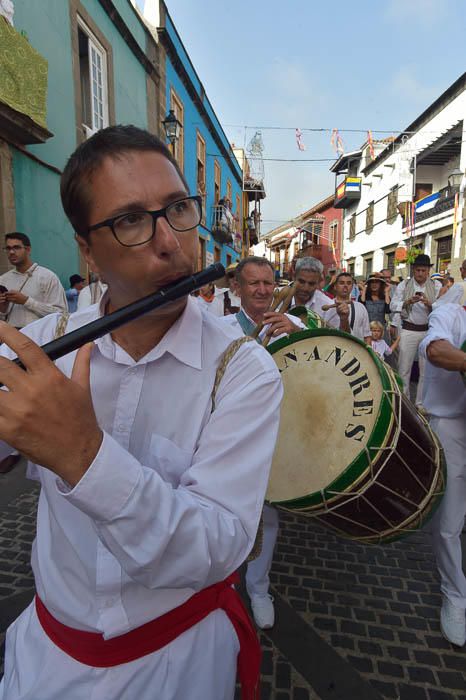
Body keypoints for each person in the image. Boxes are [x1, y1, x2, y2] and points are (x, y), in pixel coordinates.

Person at [0, 125, 283, 700]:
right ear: (87, 249)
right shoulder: (40, 345)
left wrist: (83, 455)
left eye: (179, 209)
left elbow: (217, 544)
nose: (171, 242)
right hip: (45, 656)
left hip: (178, 663)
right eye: (130, 220)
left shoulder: (244, 369)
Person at [221, 256, 305, 630]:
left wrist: (297, 333)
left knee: (267, 517)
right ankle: (217, 584)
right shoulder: (217, 328)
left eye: (268, 283)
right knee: (218, 509)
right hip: (225, 435)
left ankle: (258, 588)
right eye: (252, 283)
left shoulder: (294, 325)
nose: (261, 290)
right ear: (237, 289)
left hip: (275, 434)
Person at [0, 232, 67, 475]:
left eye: (16, 247)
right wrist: (4, 307)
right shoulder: (4, 278)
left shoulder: (46, 277)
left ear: (28, 249)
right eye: (8, 248)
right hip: (9, 341)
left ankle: (26, 446)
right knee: (8, 392)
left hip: (37, 344)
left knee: (30, 394)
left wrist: (27, 301)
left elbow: (61, 314)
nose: (11, 252)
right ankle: (10, 444)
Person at [419, 303, 466, 646]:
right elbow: (436, 349)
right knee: (448, 521)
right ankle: (455, 595)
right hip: (453, 424)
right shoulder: (451, 313)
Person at [390, 254, 441, 407]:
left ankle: (420, 403)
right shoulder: (404, 285)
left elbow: (442, 307)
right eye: (417, 270)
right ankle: (405, 402)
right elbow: (392, 305)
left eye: (423, 270)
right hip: (408, 330)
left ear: (428, 271)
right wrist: (407, 302)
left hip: (428, 331)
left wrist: (429, 304)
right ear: (413, 270)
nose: (420, 273)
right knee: (404, 368)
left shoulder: (436, 286)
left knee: (425, 371)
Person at [322, 272, 371, 344]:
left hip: (357, 351)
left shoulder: (361, 307)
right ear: (335, 286)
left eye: (349, 283)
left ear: (352, 286)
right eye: (341, 283)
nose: (345, 286)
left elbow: (367, 336)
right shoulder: (327, 307)